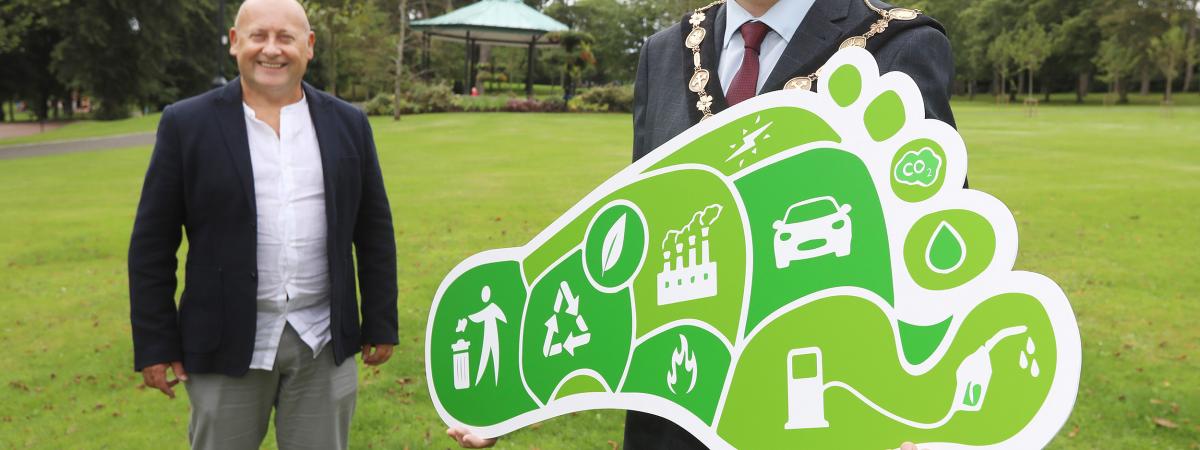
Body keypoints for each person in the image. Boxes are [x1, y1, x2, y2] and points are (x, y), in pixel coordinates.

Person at [449, 0, 954, 447]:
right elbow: (633, 254)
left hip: (821, 411)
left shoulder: (897, 43)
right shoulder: (665, 51)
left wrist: (926, 418)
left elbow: (935, 248)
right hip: (674, 419)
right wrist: (515, 394)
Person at [128, 0, 397, 448]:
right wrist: (156, 344)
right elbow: (152, 246)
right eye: (258, 36)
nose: (271, 49)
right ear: (236, 42)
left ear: (308, 46)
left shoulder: (349, 124)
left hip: (322, 340)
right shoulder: (186, 124)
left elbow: (373, 232)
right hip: (224, 343)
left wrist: (381, 321)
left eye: (285, 37)